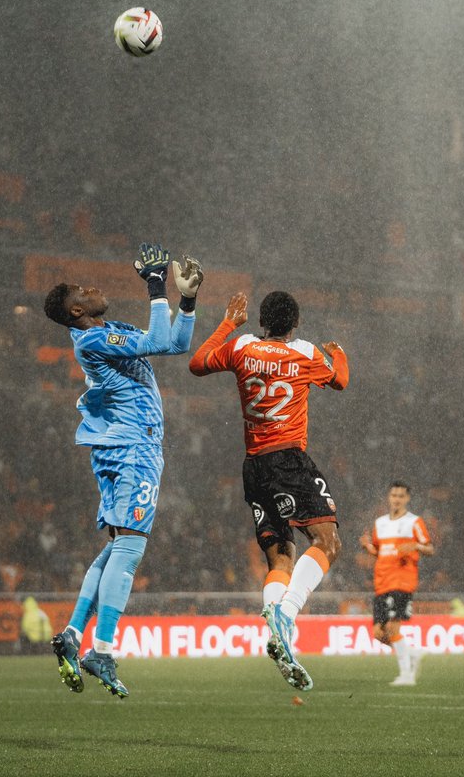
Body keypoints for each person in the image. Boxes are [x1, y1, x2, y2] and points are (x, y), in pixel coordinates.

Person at [45, 243, 202, 698]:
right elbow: (154, 341)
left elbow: (172, 343)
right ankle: (103, 649)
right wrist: (156, 285)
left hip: (120, 447)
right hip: (135, 447)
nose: (94, 288)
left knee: (115, 547)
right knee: (130, 549)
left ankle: (74, 633)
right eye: (83, 289)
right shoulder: (91, 338)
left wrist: (185, 301)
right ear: (77, 309)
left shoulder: (106, 329)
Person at [189, 291, 349, 691]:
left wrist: (228, 322)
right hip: (288, 461)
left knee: (282, 557)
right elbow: (341, 380)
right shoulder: (306, 353)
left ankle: (280, 635)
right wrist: (339, 352)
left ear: (261, 322)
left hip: (254, 466)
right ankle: (286, 614)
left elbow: (197, 364)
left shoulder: (243, 346)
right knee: (328, 542)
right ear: (295, 324)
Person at [359, 481, 434, 686]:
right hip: (381, 581)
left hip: (402, 580)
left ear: (407, 498)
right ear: (389, 497)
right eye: (394, 495)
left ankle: (406, 675)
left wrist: (416, 545)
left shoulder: (414, 522)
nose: (397, 499)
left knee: (392, 628)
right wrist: (367, 547)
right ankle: (412, 654)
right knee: (378, 633)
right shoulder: (380, 523)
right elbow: (380, 551)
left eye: (401, 496)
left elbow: (430, 549)